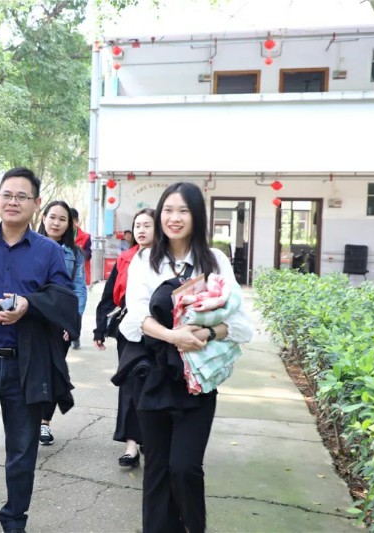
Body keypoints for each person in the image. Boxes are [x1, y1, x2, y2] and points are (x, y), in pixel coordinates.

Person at [118, 182, 253, 533]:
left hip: (197, 379)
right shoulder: (145, 259)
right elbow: (134, 320)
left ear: (197, 216)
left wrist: (206, 333)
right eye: (168, 210)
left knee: (185, 467)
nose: (174, 218)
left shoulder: (215, 260)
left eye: (183, 211)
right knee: (157, 469)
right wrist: (173, 336)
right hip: (153, 376)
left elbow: (240, 325)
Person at [0, 167, 78, 533]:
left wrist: (28, 305)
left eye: (22, 196)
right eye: (7, 194)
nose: (13, 202)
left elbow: (64, 299)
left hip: (27, 363)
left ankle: (15, 519)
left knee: (22, 451)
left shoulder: (49, 251)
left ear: (36, 204)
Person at [94, 208, 155, 467]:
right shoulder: (125, 258)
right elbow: (109, 296)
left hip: (162, 332)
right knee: (130, 384)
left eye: (147, 225)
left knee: (154, 384)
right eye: (137, 225)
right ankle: (131, 444)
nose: (141, 230)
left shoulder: (170, 259)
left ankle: (152, 439)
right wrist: (99, 329)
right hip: (129, 330)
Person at [37, 200, 88, 446]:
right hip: (32, 318)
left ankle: (44, 422)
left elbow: (79, 289)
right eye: (52, 217)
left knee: (53, 371)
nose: (56, 223)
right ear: (43, 218)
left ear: (69, 224)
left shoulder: (75, 254)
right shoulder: (28, 246)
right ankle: (27, 420)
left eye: (62, 219)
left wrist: (71, 323)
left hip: (59, 323)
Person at [70, 208, 92, 349]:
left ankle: (75, 334)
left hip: (79, 276)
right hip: (65, 278)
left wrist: (77, 252)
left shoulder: (85, 237)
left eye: (72, 220)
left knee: (78, 307)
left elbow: (89, 254)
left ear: (77, 221)